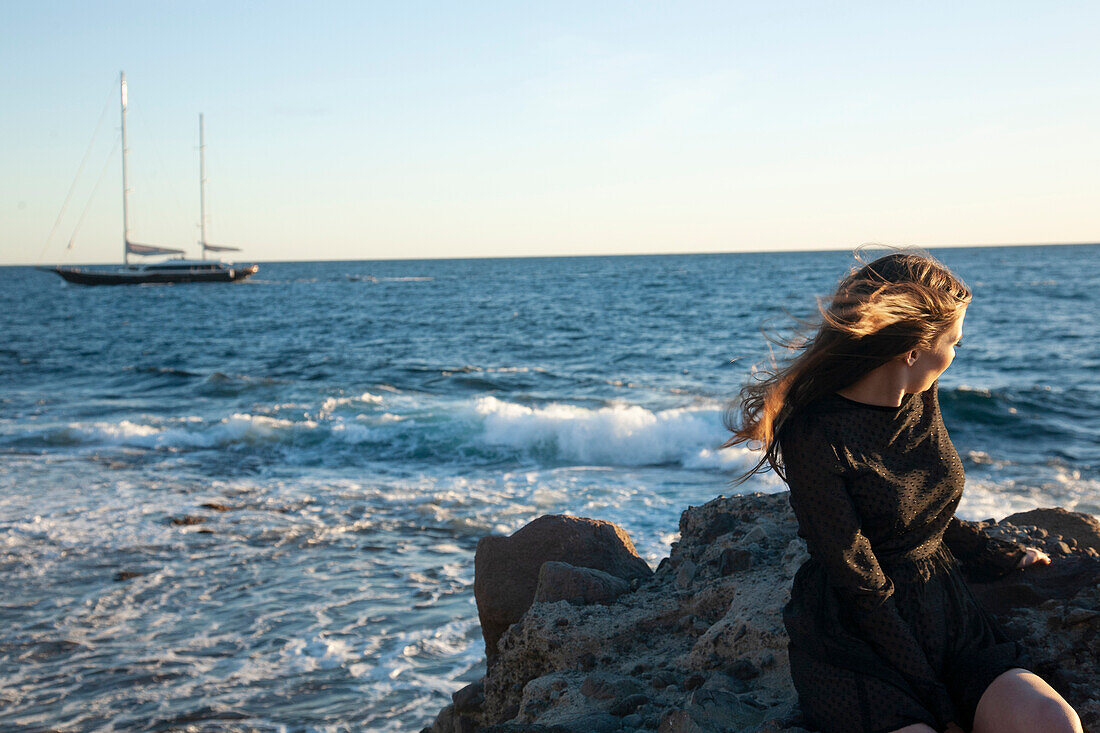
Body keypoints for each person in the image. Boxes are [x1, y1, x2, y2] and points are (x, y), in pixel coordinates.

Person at [724, 251, 1082, 733]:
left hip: (946, 610)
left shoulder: (920, 397)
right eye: (953, 342)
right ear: (913, 349)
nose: (955, 354)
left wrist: (997, 555)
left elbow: (921, 512)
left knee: (1053, 721)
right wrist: (936, 698)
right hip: (859, 634)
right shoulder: (815, 433)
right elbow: (855, 577)